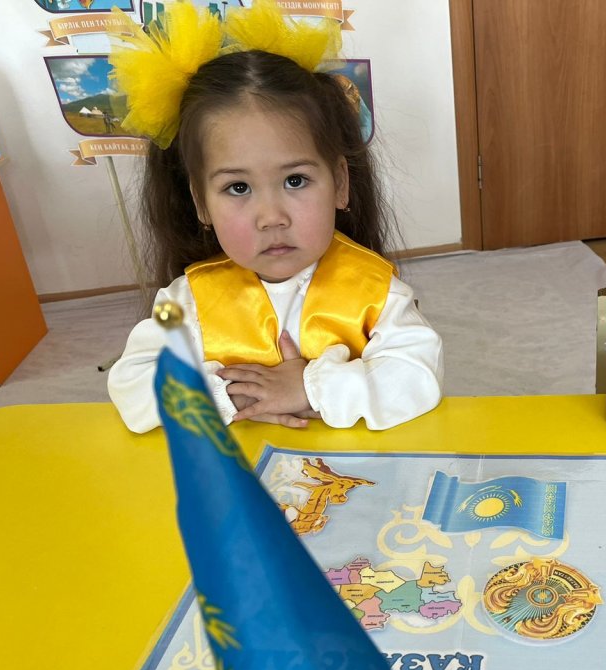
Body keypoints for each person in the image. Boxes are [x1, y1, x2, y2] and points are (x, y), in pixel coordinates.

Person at [106, 1, 443, 433]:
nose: (271, 217)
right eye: (238, 188)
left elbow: (418, 375)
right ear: (201, 202)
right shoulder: (185, 301)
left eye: (295, 181)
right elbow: (131, 383)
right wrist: (231, 393)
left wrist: (309, 387)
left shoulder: (377, 292)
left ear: (340, 182)